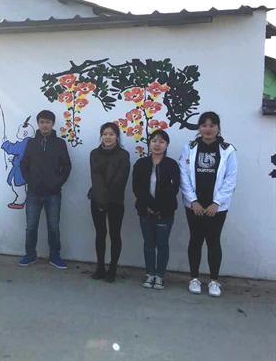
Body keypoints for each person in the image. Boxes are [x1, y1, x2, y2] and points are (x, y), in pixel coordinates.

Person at [179, 111, 237, 297]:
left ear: (218, 128)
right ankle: (194, 278)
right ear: (199, 127)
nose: (208, 129)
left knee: (213, 241)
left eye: (212, 125)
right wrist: (193, 201)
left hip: (216, 207)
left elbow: (231, 179)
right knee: (195, 240)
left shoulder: (228, 150)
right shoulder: (189, 147)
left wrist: (217, 203)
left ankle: (214, 281)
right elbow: (183, 175)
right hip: (194, 206)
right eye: (204, 125)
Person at [18, 110, 72, 269]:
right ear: (38, 123)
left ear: (52, 124)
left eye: (48, 122)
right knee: (31, 226)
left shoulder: (60, 143)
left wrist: (57, 183)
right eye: (42, 122)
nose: (44, 125)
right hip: (33, 193)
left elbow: (67, 166)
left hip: (53, 194)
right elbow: (23, 164)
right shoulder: (31, 143)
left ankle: (55, 256)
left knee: (53, 226)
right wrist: (30, 180)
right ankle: (30, 254)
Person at [132, 129, 180, 290]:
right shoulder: (141, 164)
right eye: (154, 141)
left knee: (162, 244)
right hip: (145, 211)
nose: (157, 144)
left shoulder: (172, 164)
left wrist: (159, 206)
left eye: (161, 141)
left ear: (166, 145)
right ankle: (150, 273)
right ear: (149, 143)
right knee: (148, 244)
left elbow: (174, 188)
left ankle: (160, 276)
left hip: (165, 212)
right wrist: (149, 205)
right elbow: (137, 187)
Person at [88, 122, 130, 282]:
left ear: (117, 137)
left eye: (111, 134)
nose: (108, 137)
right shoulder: (94, 154)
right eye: (105, 134)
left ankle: (112, 269)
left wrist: (107, 197)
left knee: (115, 234)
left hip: (115, 200)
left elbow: (121, 179)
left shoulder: (123, 155)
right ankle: (100, 268)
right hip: (97, 199)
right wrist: (100, 199)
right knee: (100, 234)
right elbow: (95, 177)